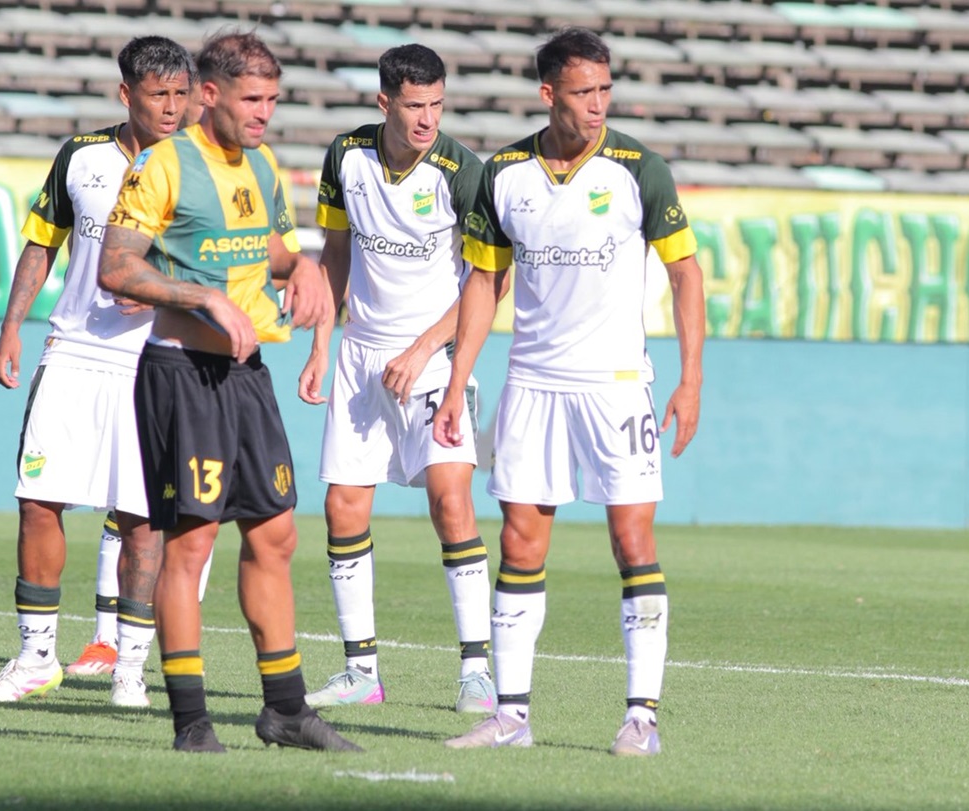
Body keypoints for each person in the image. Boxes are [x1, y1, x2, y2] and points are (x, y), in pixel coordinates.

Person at [433, 27, 704, 755]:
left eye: (605, 90)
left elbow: (685, 274)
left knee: (631, 538)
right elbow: (484, 283)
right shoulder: (506, 172)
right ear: (549, 93)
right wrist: (456, 385)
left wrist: (690, 381)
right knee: (520, 539)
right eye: (583, 92)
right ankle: (510, 716)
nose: (597, 105)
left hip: (616, 385)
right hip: (533, 383)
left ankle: (641, 718)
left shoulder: (638, 169)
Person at [97, 31, 360, 754]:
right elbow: (116, 268)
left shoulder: (265, 165)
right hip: (181, 373)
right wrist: (202, 296)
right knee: (192, 544)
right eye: (252, 99)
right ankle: (191, 720)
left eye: (273, 100)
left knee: (276, 533)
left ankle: (284, 708)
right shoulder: (163, 164)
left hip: (247, 377)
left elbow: (270, 249)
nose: (264, 113)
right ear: (208, 94)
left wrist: (302, 264)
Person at [0, 36, 197, 709]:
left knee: (141, 519)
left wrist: (160, 285)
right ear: (125, 94)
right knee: (38, 500)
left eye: (181, 94)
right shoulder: (80, 156)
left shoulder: (200, 166)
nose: (172, 107)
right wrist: (13, 325)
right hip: (72, 352)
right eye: (158, 94)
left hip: (151, 361)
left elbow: (215, 262)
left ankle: (130, 667)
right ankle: (37, 655)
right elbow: (42, 242)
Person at [298, 44, 499, 714]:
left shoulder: (461, 170)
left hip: (435, 358)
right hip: (360, 354)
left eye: (437, 105)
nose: (427, 119)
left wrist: (422, 350)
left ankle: (476, 670)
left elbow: (486, 284)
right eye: (415, 105)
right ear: (384, 101)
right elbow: (335, 250)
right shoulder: (345, 155)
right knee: (342, 506)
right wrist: (323, 344)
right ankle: (361, 672)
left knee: (451, 500)